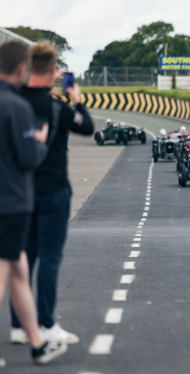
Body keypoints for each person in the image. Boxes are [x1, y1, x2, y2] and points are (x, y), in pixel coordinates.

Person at [10, 42, 94, 346]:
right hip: (54, 191)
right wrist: (77, 100)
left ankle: (19, 325)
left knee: (23, 258)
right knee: (50, 257)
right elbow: (87, 128)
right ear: (54, 70)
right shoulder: (56, 108)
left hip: (20, 191)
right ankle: (45, 322)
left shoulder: (14, 102)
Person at [0, 41, 67, 365]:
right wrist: (39, 143)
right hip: (11, 200)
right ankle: (39, 336)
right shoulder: (16, 107)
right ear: (21, 69)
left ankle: (37, 341)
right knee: (6, 269)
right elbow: (28, 158)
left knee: (20, 270)